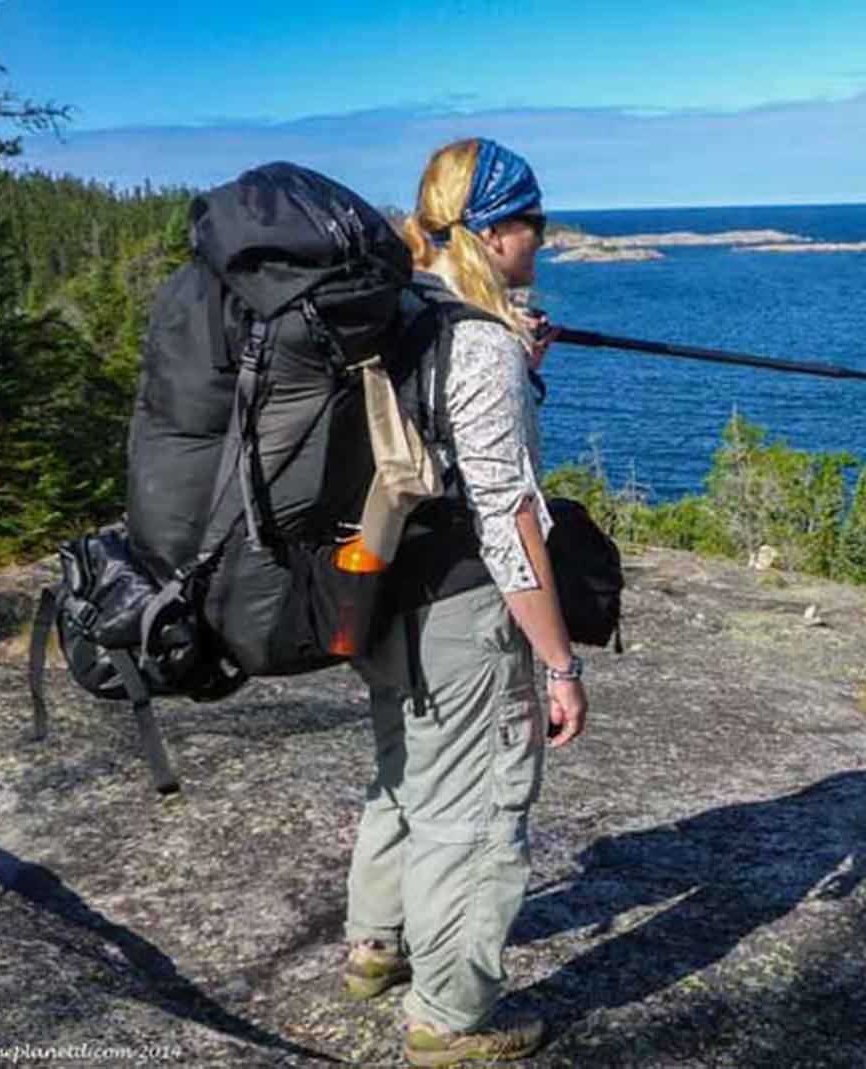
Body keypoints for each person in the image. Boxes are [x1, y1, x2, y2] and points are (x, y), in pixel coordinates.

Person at [339, 137, 586, 1066]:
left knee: (403, 773)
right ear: (493, 229)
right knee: (479, 811)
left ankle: (374, 946)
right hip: (459, 609)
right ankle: (447, 1019)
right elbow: (510, 517)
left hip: (377, 585)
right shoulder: (476, 343)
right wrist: (559, 664)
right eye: (534, 221)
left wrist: (518, 352)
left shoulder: (399, 309)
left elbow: (427, 436)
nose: (543, 239)